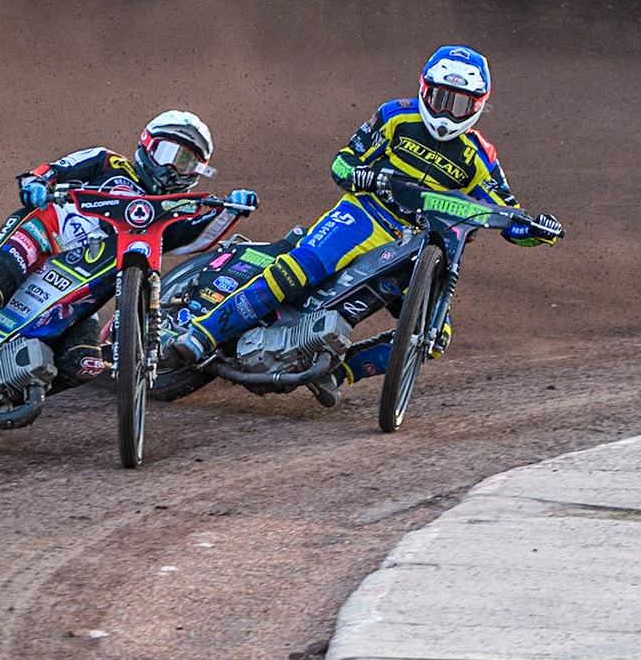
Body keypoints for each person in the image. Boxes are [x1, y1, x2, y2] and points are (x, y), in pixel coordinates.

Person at [166, 45, 561, 398]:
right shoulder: (395, 116)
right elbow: (341, 163)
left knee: (435, 335)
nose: (445, 112)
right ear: (424, 90)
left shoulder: (480, 155)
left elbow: (508, 215)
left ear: (477, 106)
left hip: (414, 246)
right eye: (440, 98)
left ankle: (337, 373)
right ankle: (204, 333)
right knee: (302, 267)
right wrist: (364, 176)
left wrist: (536, 229)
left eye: (458, 104)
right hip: (364, 214)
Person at [0, 111, 257, 405]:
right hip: (41, 237)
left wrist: (231, 210)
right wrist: (36, 182)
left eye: (186, 163)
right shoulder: (108, 162)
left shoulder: (166, 217)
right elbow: (53, 170)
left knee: (84, 363)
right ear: (146, 146)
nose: (173, 168)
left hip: (79, 293)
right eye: (168, 153)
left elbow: (193, 239)